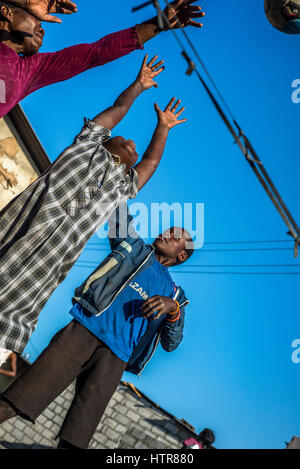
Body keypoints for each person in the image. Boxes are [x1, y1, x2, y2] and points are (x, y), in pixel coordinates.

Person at [0, 53, 187, 361]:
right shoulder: (86, 146)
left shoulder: (122, 188)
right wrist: (138, 85)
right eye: (123, 138)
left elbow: (150, 162)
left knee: (18, 312)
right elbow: (118, 109)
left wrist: (163, 128)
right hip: (18, 236)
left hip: (37, 280)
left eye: (134, 149)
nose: (131, 143)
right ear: (103, 140)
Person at [0, 200, 194, 449]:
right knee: (19, 399)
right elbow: (118, 217)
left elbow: (171, 343)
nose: (167, 233)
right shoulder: (133, 247)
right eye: (169, 229)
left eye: (176, 235)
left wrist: (173, 309)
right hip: (83, 331)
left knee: (76, 438)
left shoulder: (175, 295)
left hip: (115, 358)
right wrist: (122, 178)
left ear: (181, 255)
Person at [0, 0, 205, 117]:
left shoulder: (28, 70)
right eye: (38, 20)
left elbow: (97, 52)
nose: (43, 31)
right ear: (6, 12)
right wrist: (26, 1)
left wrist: (157, 24)